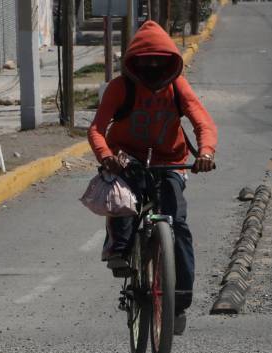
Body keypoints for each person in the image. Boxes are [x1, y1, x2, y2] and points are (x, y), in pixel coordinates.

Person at [87, 20, 218, 335]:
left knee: (179, 225)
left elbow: (203, 122)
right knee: (122, 201)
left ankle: (180, 298)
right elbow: (96, 129)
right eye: (147, 61)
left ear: (171, 62)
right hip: (126, 160)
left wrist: (206, 153)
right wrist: (107, 157)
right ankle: (119, 250)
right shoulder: (121, 88)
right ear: (134, 63)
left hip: (170, 162)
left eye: (160, 61)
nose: (154, 67)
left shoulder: (177, 86)